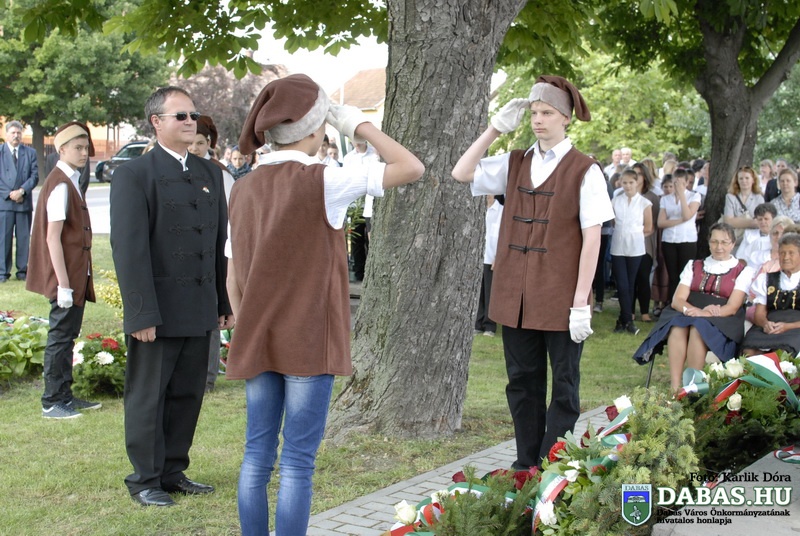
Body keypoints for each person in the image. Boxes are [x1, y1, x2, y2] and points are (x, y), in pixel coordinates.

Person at [225, 73, 424, 536]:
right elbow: (411, 167)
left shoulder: (243, 187)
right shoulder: (325, 180)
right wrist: (357, 125)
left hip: (257, 337)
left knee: (256, 455)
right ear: (316, 128)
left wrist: (243, 326)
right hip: (308, 339)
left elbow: (233, 275)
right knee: (297, 461)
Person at [451, 75, 614, 469]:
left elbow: (592, 239)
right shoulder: (515, 162)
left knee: (564, 385)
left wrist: (581, 302)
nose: (538, 120)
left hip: (561, 297)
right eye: (534, 112)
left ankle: (552, 465)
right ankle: (526, 465)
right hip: (516, 297)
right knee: (522, 383)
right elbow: (461, 172)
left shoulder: (585, 169)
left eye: (547, 113)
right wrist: (495, 128)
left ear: (566, 118)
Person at [110, 87, 234, 507]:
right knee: (149, 396)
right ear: (156, 122)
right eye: (180, 115)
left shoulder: (209, 172)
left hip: (198, 305)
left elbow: (217, 244)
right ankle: (145, 479)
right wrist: (140, 313)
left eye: (193, 115)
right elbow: (129, 250)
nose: (189, 121)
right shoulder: (135, 174)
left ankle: (173, 471)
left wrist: (222, 302)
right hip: (158, 309)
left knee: (187, 393)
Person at [26, 121, 101, 419]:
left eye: (85, 148)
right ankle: (52, 401)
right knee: (60, 336)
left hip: (73, 274)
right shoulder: (59, 183)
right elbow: (52, 238)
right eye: (78, 148)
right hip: (65, 277)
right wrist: (64, 284)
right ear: (62, 150)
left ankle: (65, 396)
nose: (84, 153)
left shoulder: (70, 179)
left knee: (67, 336)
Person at [633, 223, 753, 391]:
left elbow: (732, 307)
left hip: (722, 318)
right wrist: (692, 311)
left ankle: (692, 386)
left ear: (733, 244)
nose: (719, 247)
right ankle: (675, 387)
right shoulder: (694, 265)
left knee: (698, 328)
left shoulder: (742, 271)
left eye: (724, 242)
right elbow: (678, 300)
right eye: (714, 241)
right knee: (677, 327)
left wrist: (704, 314)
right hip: (689, 311)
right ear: (709, 242)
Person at [187, 115, 234, 392]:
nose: (194, 148)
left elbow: (230, 217)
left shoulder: (219, 173)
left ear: (209, 144)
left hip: (217, 249)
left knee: (213, 311)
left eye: (200, 143)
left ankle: (207, 376)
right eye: (191, 143)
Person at [742, 232, 800, 357]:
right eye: (782, 253)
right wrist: (765, 324)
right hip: (770, 326)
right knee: (748, 352)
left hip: (796, 328)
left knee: (784, 354)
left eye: (791, 253)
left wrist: (788, 326)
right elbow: (759, 314)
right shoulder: (767, 279)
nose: (785, 257)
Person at [611, 169, 653, 335]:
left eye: (631, 182)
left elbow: (648, 227)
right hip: (618, 246)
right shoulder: (616, 200)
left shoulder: (644, 203)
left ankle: (623, 319)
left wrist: (634, 234)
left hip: (635, 247)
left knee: (630, 283)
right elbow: (613, 222)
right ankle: (627, 320)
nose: (628, 186)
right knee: (622, 284)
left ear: (637, 182)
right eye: (625, 182)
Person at [0, 120, 39, 282]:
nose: (16, 136)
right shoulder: (0, 152)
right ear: (6, 134)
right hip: (4, 203)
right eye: (13, 133)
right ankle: (3, 272)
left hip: (23, 202)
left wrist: (22, 191)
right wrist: (9, 194)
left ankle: (22, 271)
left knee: (23, 238)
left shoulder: (30, 153)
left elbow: (34, 176)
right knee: (3, 239)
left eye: (18, 133)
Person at [658, 167, 702, 300]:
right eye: (676, 183)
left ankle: (683, 302)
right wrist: (680, 220)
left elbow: (687, 214)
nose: (678, 186)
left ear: (687, 182)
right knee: (673, 276)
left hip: (687, 240)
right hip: (669, 240)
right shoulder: (666, 199)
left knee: (685, 275)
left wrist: (682, 196)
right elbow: (661, 222)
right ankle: (671, 302)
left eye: (681, 183)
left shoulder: (694, 196)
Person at [475, 195, 504, 336]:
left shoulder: (502, 211)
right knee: (478, 293)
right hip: (478, 258)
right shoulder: (478, 209)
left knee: (490, 293)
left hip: (492, 258)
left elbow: (504, 236)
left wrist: (498, 258)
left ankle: (489, 326)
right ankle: (477, 323)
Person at [735, 202, 776, 267]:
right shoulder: (749, 235)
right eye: (760, 219)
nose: (763, 222)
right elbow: (740, 256)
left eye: (766, 219)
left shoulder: (778, 236)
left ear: (774, 219)